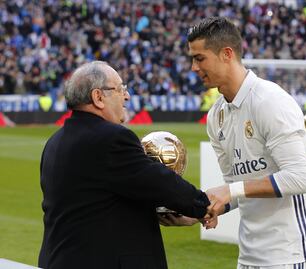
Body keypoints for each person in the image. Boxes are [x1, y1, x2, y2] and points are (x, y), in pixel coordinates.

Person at [38, 61, 210, 269]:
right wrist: (203, 205)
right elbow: (159, 182)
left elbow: (92, 204)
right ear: (98, 97)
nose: (127, 96)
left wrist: (163, 212)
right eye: (120, 89)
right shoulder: (112, 138)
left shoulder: (54, 142)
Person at [188, 17, 306, 268]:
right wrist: (202, 208)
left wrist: (231, 190)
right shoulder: (216, 116)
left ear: (227, 54)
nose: (193, 67)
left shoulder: (270, 101)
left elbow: (299, 178)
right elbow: (239, 188)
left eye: (199, 58)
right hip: (249, 257)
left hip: (291, 256)